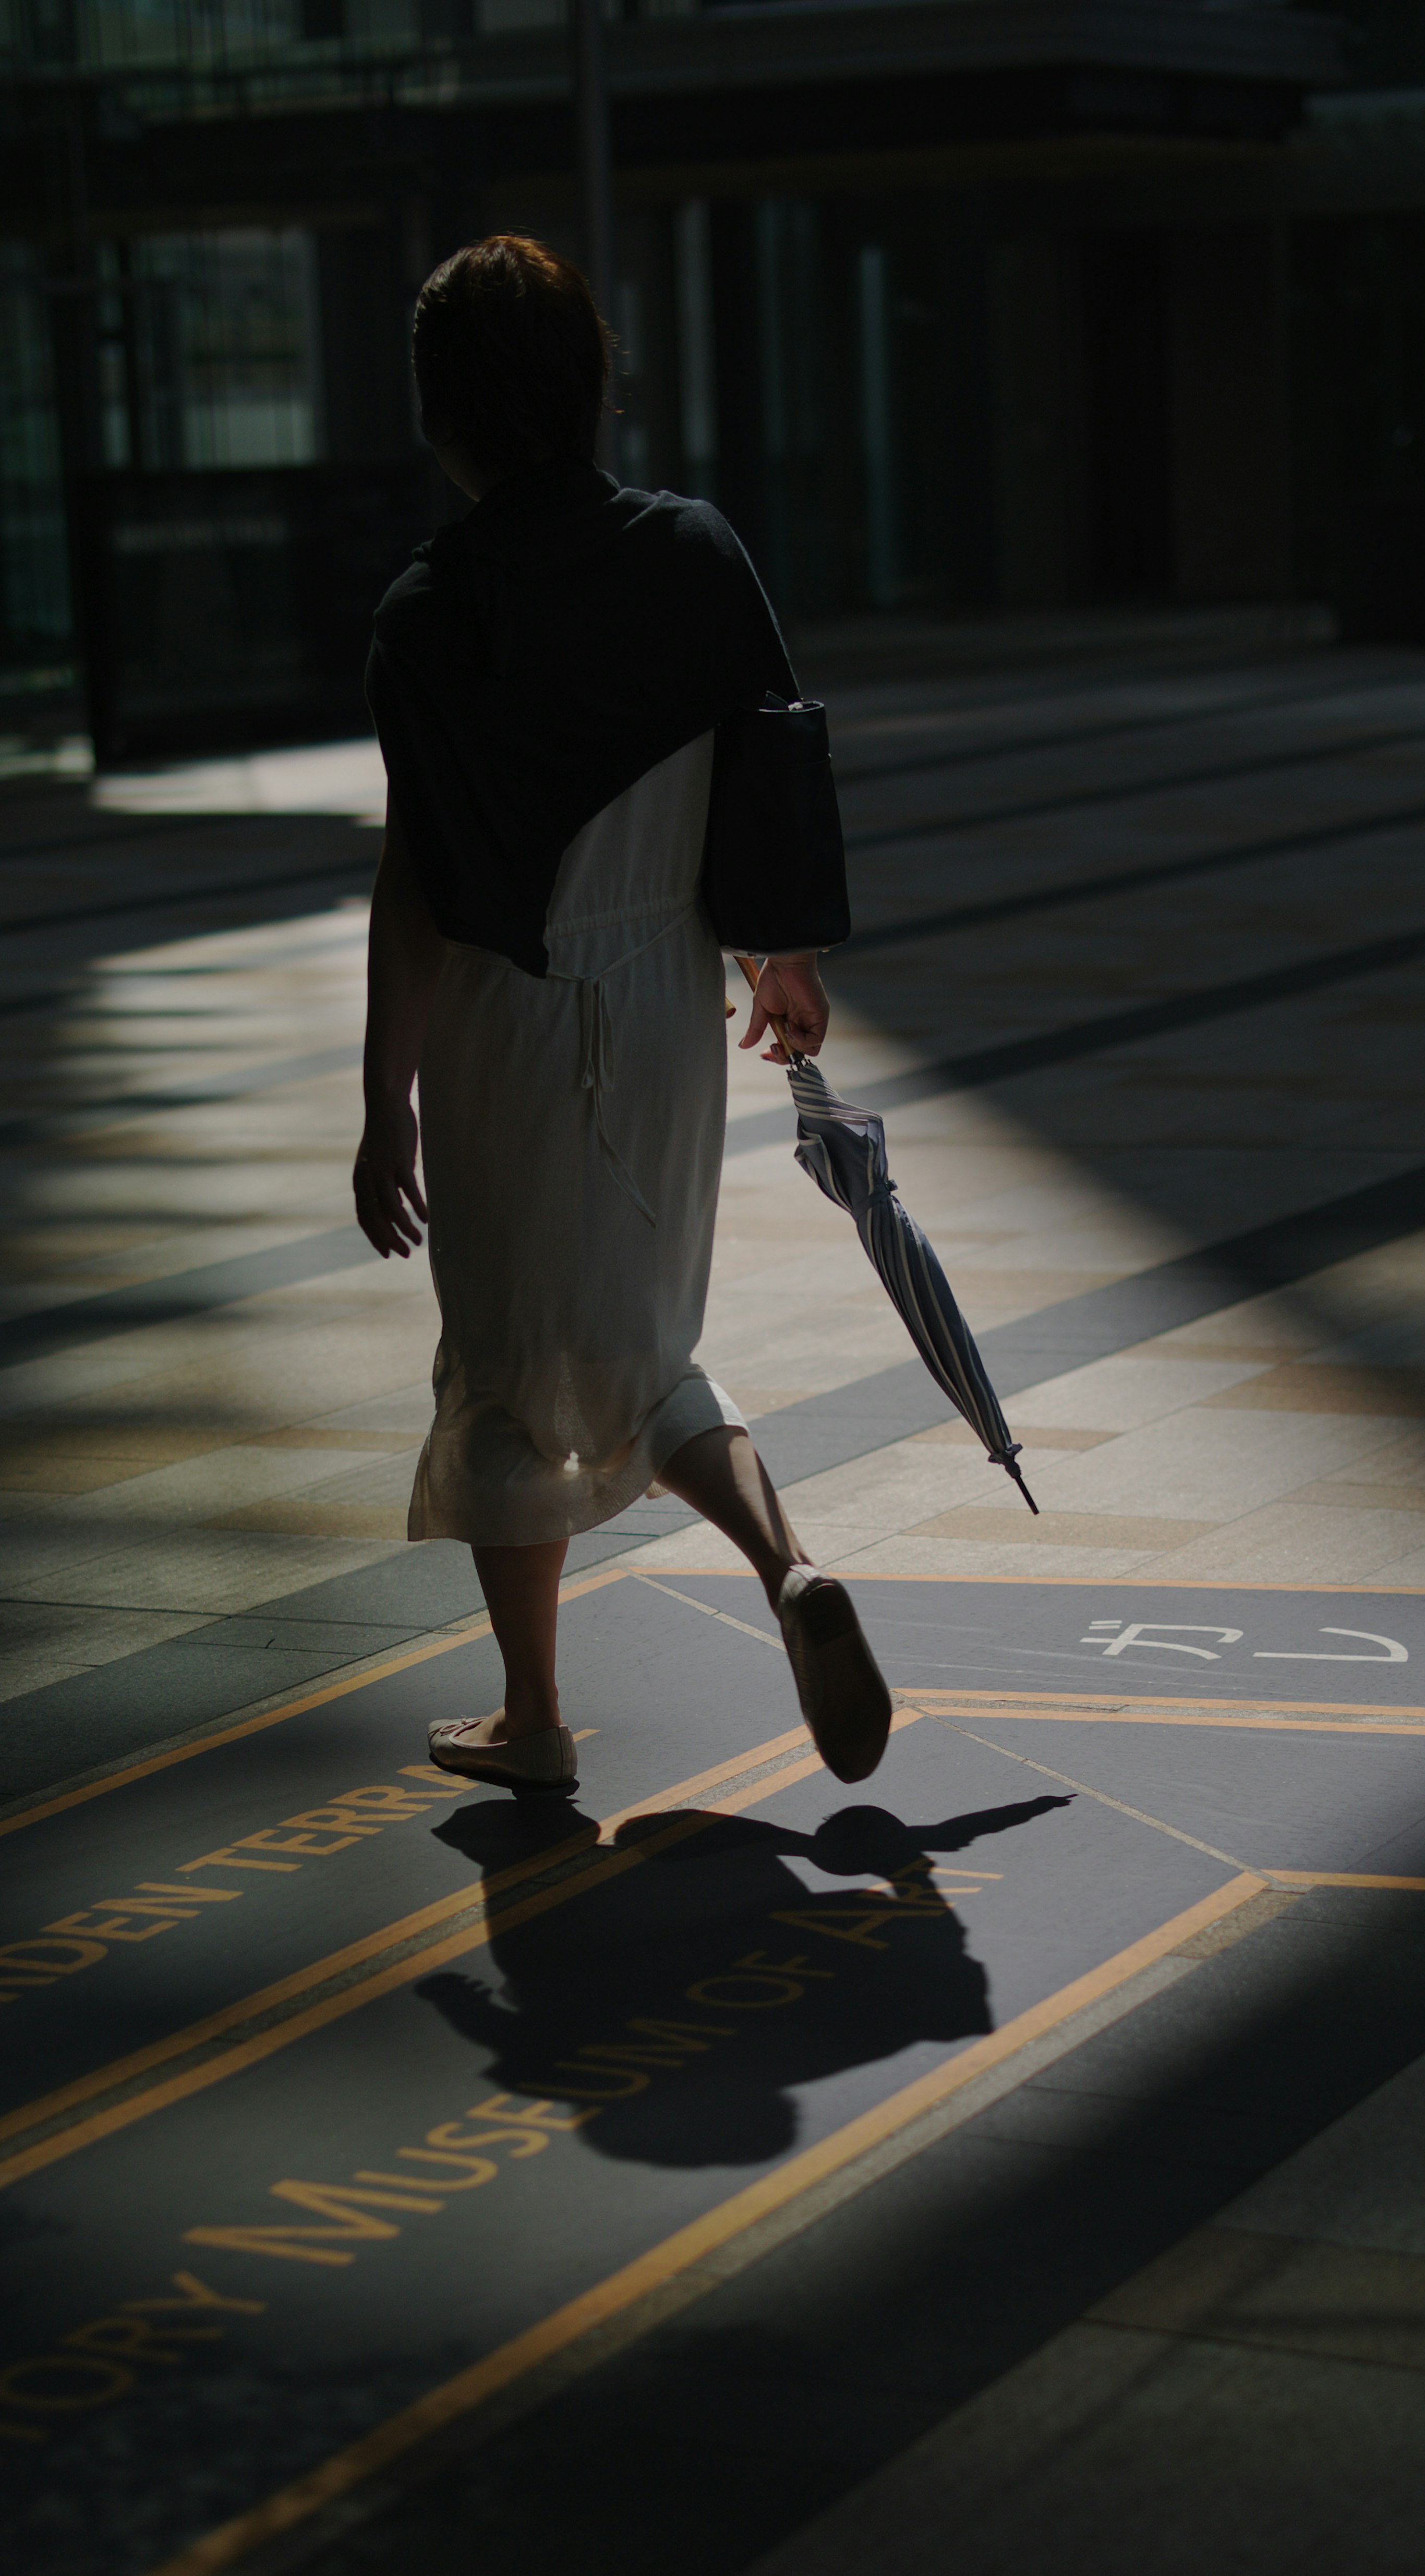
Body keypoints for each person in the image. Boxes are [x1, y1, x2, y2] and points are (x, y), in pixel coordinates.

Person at [352, 234, 891, 1799]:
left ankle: (531, 1715)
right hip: (665, 1002)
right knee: (651, 1349)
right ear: (595, 386)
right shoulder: (697, 553)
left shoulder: (428, 615)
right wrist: (776, 959)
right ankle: (790, 1568)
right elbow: (769, 765)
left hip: (507, 1024)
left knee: (512, 1369)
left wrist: (388, 1098)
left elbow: (420, 886)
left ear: (443, 411)